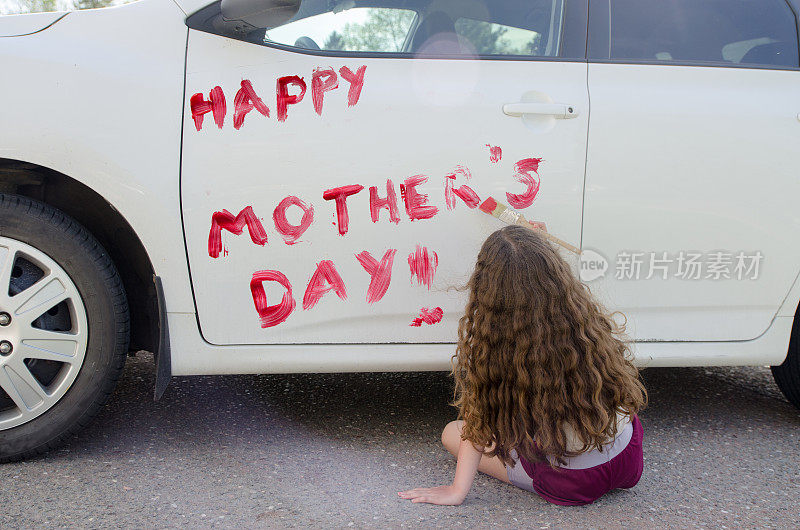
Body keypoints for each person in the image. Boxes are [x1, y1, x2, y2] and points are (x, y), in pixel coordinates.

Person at [398, 225, 647, 506]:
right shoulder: (582, 321)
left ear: (486, 288)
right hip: (627, 459)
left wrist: (457, 491)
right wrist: (533, 241)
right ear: (557, 274)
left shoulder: (496, 346)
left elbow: (478, 426)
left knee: (452, 432)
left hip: (574, 482)